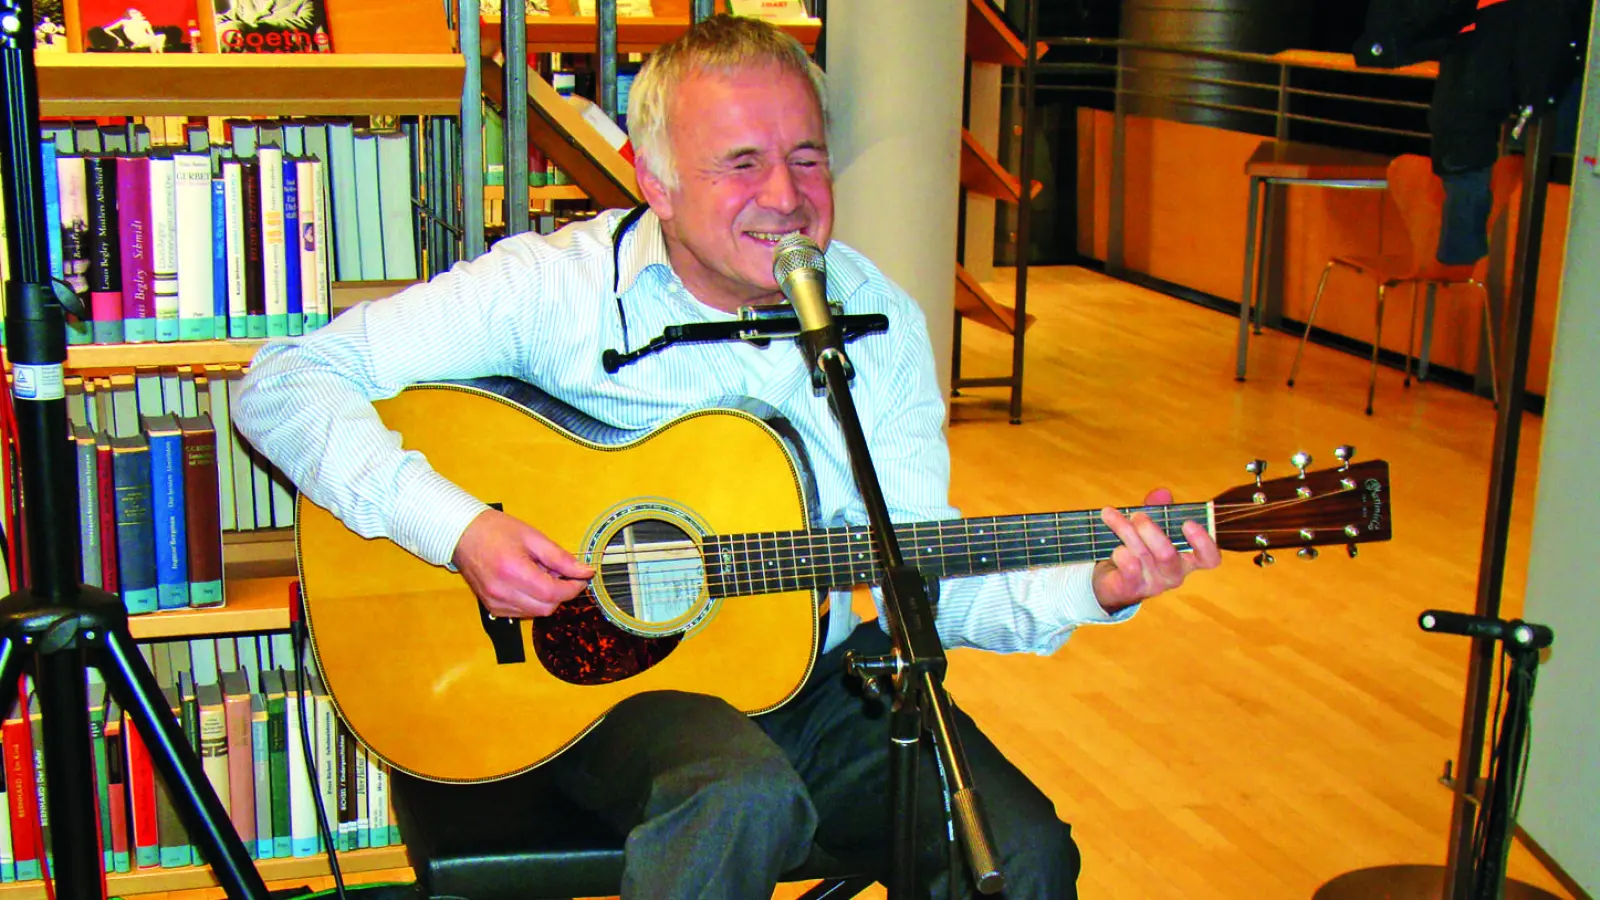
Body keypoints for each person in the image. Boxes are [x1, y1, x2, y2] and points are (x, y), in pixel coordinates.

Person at [233, 14, 1221, 899]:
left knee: (1020, 853)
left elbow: (920, 576)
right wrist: (461, 530)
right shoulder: (551, 290)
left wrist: (1096, 584)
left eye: (806, 157)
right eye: (740, 163)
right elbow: (281, 383)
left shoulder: (873, 324)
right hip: (600, 690)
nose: (786, 198)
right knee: (739, 798)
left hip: (823, 678)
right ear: (653, 179)